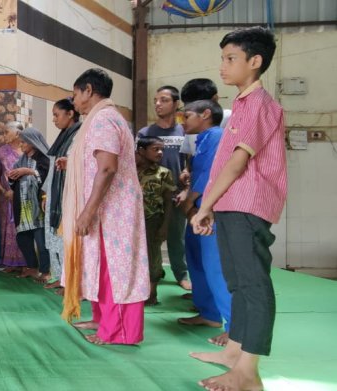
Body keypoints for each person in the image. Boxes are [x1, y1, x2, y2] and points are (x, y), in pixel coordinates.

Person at [189, 27, 285, 391]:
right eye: (223, 59)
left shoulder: (260, 104)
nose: (223, 66)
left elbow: (237, 163)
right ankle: (234, 351)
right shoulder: (242, 105)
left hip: (249, 203)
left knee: (252, 283)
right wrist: (214, 205)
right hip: (232, 203)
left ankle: (248, 371)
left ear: (255, 62)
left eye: (231, 59)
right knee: (237, 282)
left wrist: (204, 204)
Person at [62, 68, 149, 346]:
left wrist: (88, 210)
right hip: (105, 208)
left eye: (75, 94)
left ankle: (120, 331)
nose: (73, 101)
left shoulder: (103, 120)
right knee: (99, 266)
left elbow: (108, 168)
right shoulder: (102, 118)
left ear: (89, 90)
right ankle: (102, 319)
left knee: (116, 269)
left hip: (113, 210)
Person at [177, 100, 232, 346]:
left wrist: (191, 202)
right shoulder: (201, 140)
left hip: (209, 210)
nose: (183, 122)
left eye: (187, 116)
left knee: (215, 267)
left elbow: (210, 176)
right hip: (197, 208)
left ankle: (234, 327)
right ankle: (209, 313)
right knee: (196, 261)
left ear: (206, 114)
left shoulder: (216, 136)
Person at [138, 85, 191, 291]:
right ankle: (150, 274)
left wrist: (186, 186)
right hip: (149, 196)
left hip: (176, 194)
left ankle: (181, 274)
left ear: (176, 104)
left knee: (176, 236)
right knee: (148, 238)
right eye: (156, 100)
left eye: (164, 100)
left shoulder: (185, 132)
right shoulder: (145, 132)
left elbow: (190, 162)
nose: (158, 104)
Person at [43, 99, 81, 293]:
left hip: (71, 196)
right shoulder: (64, 135)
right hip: (57, 194)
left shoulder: (79, 135)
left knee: (71, 241)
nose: (54, 119)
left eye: (57, 114)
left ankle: (75, 284)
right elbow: (54, 167)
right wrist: (47, 195)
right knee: (57, 240)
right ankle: (62, 278)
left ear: (70, 114)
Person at [7, 128, 51, 282]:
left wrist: (29, 171)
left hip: (38, 205)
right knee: (23, 238)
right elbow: (14, 180)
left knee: (41, 241)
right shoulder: (22, 159)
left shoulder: (44, 158)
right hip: (23, 204)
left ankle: (45, 272)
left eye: (24, 141)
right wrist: (12, 176)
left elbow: (47, 180)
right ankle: (32, 268)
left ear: (33, 142)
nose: (21, 144)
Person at [135, 136, 175, 306]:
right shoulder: (130, 171)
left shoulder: (163, 173)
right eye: (155, 149)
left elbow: (168, 201)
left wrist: (165, 226)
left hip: (152, 220)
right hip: (130, 222)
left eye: (162, 149)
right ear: (141, 151)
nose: (160, 152)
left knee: (153, 256)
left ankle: (152, 293)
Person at [0, 121, 27, 272]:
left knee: (23, 228)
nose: (4, 135)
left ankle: (26, 262)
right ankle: (8, 262)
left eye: (7, 132)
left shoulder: (28, 150)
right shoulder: (0, 152)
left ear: (18, 134)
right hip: (6, 197)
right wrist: (3, 191)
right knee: (8, 227)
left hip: (25, 197)